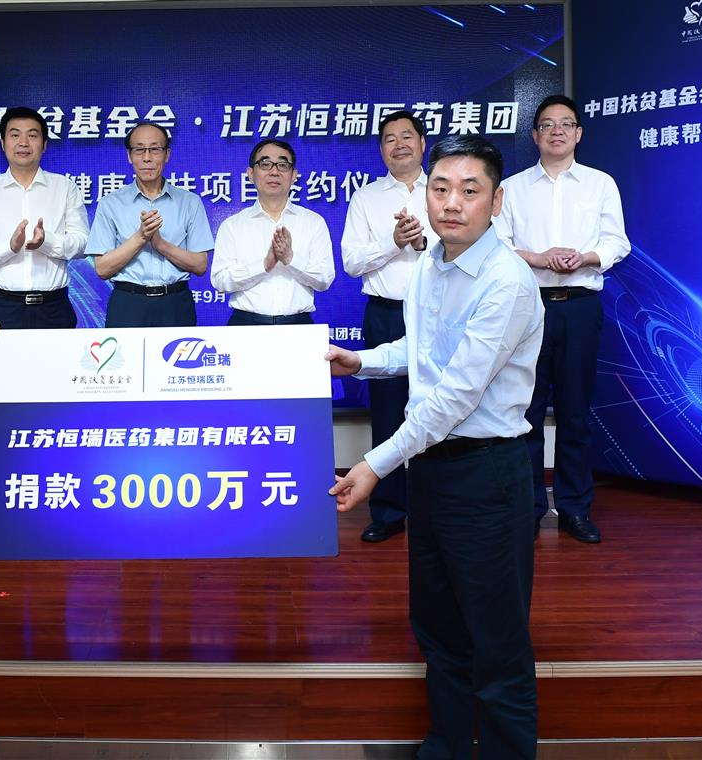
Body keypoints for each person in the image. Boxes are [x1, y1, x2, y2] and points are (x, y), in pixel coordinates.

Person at [328, 135, 545, 759]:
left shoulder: (506, 282)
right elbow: (421, 350)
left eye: (470, 191)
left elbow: (455, 396)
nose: (451, 203)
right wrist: (362, 362)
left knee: (497, 645)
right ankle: (445, 747)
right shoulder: (430, 263)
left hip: (486, 475)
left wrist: (374, 463)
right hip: (432, 474)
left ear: (496, 202)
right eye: (441, 188)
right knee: (439, 631)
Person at [495, 95, 630, 544]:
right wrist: (539, 258)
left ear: (578, 134)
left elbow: (617, 243)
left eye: (566, 124)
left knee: (575, 411)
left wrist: (585, 257)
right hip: (527, 308)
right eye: (548, 124)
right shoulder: (511, 188)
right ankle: (529, 507)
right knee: (526, 412)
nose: (557, 131)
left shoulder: (600, 184)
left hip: (579, 307)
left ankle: (574, 508)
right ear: (535, 135)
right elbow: (496, 246)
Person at [340, 111, 438, 544]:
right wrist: (393, 242)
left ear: (422, 143)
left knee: (440, 410)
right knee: (387, 413)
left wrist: (423, 242)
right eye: (389, 139)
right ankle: (388, 511)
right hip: (385, 312)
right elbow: (351, 262)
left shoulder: (443, 190)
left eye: (407, 136)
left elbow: (465, 245)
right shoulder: (366, 198)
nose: (399, 145)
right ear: (381, 149)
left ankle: (436, 509)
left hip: (439, 311)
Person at [0, 106, 89, 329]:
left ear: (44, 144)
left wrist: (46, 242)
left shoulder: (65, 188)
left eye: (32, 135)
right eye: (15, 135)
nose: (24, 143)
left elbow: (83, 243)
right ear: (3, 143)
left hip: (54, 308)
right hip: (0, 307)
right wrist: (9, 247)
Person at [87, 122, 214, 327]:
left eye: (155, 149)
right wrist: (141, 237)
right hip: (128, 303)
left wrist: (160, 244)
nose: (147, 158)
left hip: (175, 303)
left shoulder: (190, 202)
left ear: (167, 154)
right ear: (129, 156)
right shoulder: (110, 203)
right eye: (139, 150)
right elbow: (102, 269)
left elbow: (200, 265)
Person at [209, 139, 334, 325]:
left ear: (294, 175)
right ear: (251, 174)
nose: (274, 172)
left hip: (298, 326)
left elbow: (324, 280)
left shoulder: (313, 222)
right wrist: (264, 265)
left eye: (283, 165)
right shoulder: (232, 226)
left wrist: (291, 259)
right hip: (246, 325)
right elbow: (220, 281)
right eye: (265, 164)